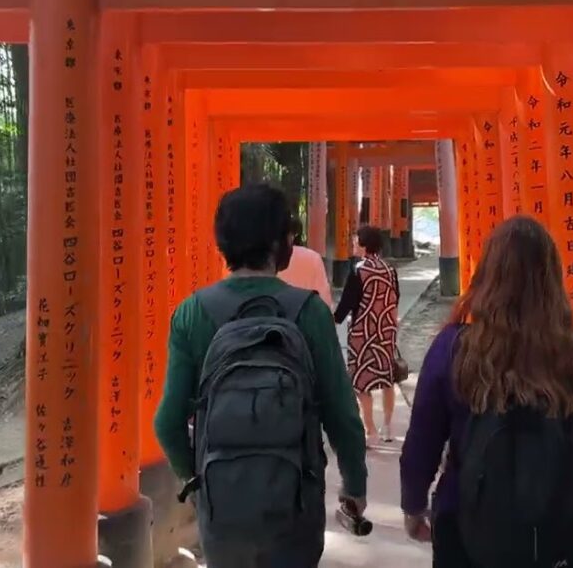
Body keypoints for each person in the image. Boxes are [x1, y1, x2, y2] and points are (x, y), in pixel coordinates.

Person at [399, 216, 573, 567]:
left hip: (465, 527)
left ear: (487, 274)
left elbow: (421, 442)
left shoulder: (452, 349)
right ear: (552, 278)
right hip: (559, 534)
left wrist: (413, 507)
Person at [154, 183, 368, 567]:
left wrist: (198, 479)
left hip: (222, 508)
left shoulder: (191, 313)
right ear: (277, 242)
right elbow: (342, 414)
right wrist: (354, 486)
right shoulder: (310, 312)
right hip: (295, 502)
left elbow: (168, 422)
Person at [333, 225, 401, 445]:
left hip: (363, 332)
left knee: (362, 381)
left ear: (363, 245)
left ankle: (369, 428)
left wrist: (334, 318)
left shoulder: (358, 270)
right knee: (386, 378)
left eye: (355, 243)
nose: (354, 246)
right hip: (385, 330)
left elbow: (347, 303)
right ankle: (388, 426)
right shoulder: (390, 270)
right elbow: (395, 298)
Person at [278, 217, 334, 307]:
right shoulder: (313, 257)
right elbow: (324, 299)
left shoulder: (272, 258)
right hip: (306, 312)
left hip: (277, 313)